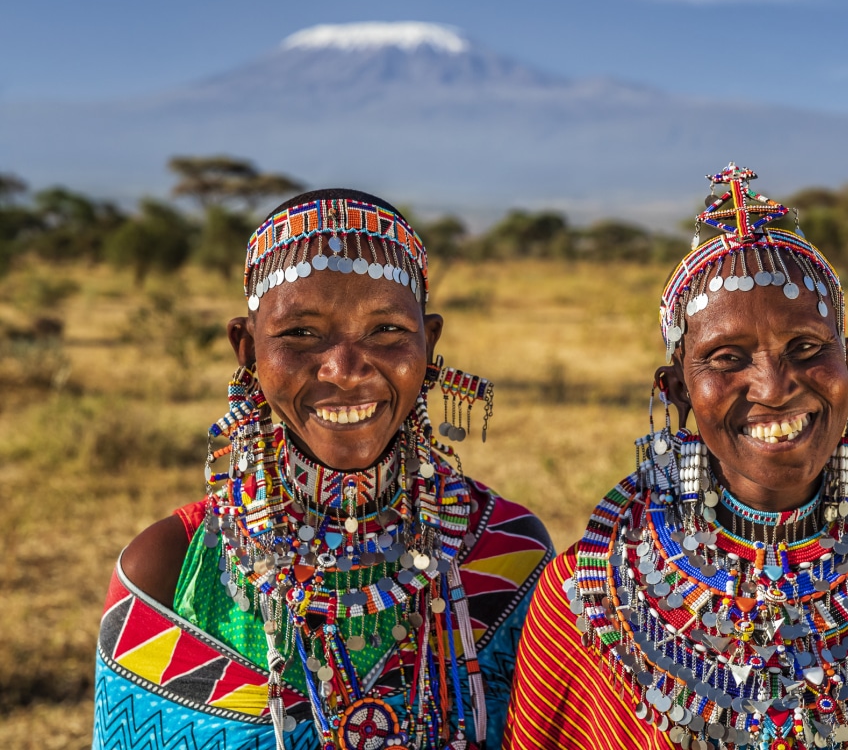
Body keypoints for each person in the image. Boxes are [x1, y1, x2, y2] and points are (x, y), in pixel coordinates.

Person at [504, 164, 848, 749]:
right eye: (726, 357)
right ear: (678, 391)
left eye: (806, 348)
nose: (773, 386)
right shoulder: (586, 600)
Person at [93, 189, 553, 750]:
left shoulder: (507, 556)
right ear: (246, 349)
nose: (344, 370)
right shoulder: (168, 570)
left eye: (386, 331)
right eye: (300, 334)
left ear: (428, 344)